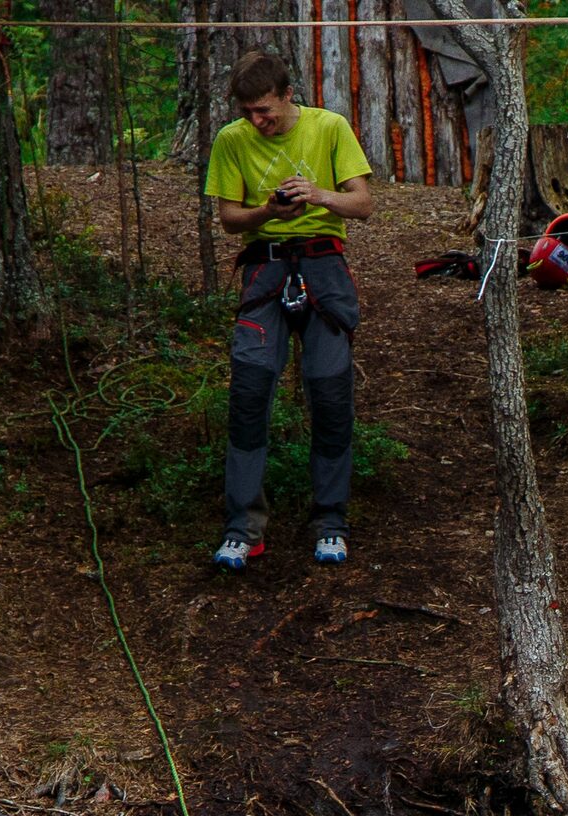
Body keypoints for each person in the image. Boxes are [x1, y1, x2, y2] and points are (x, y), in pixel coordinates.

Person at [204, 51, 374, 568]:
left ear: (286, 94)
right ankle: (244, 527)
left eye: (264, 110)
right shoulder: (232, 140)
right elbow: (231, 219)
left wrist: (318, 195)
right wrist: (268, 211)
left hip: (324, 268)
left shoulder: (330, 127)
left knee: (329, 393)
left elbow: (362, 203)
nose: (257, 120)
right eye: (248, 112)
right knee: (250, 392)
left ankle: (330, 522)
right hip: (264, 269)